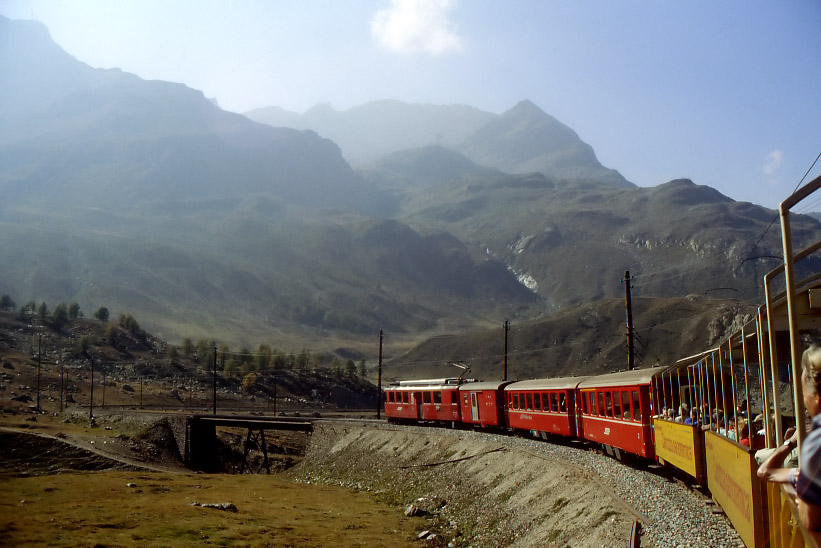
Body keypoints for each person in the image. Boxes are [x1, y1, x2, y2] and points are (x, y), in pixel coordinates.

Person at [757, 346, 821, 532]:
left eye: (803, 394)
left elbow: (810, 522)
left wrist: (791, 441)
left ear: (816, 397)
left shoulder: (815, 445)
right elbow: (765, 472)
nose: (803, 401)